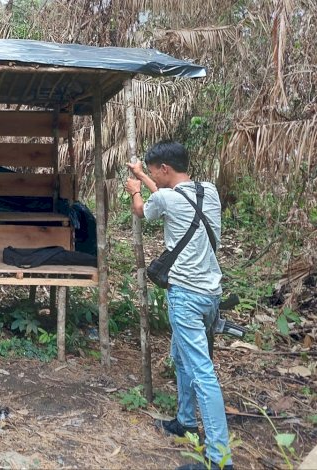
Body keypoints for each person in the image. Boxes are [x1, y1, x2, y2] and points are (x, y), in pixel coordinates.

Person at [126, 141, 233, 470]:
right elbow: (167, 193)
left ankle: (219, 458)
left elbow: (144, 210)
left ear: (165, 169)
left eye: (154, 169)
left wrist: (134, 190)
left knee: (202, 373)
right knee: (182, 358)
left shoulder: (165, 198)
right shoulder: (209, 191)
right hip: (211, 295)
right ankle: (185, 421)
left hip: (185, 295)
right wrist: (144, 176)